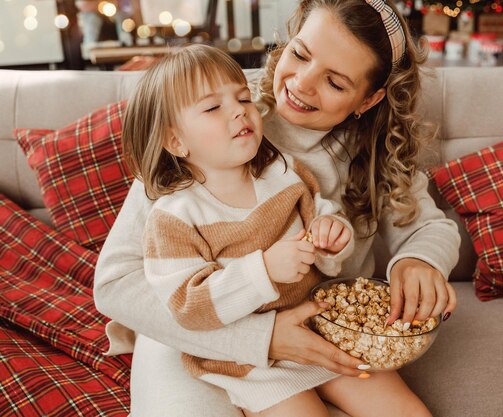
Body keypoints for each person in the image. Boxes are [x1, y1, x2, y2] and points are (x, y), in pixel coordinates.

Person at [94, 1, 461, 416]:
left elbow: (431, 227)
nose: (302, 84)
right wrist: (260, 336)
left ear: (369, 99)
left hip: (321, 326)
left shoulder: (373, 150)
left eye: (336, 83)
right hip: (196, 336)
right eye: (299, 54)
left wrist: (419, 260)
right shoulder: (213, 114)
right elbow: (116, 283)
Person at [122, 43, 360, 414]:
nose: (239, 111)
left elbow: (321, 217)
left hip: (318, 329)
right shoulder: (174, 217)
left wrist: (333, 235)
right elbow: (189, 306)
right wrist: (262, 270)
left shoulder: (285, 173)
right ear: (176, 141)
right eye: (213, 107)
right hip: (248, 363)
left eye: (244, 98)